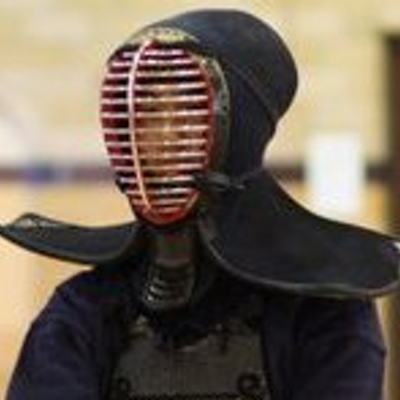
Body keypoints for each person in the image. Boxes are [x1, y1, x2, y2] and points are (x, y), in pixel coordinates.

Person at [1, 9, 399, 400]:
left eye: (185, 109)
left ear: (240, 128)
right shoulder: (86, 306)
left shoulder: (323, 309)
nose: (161, 135)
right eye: (148, 111)